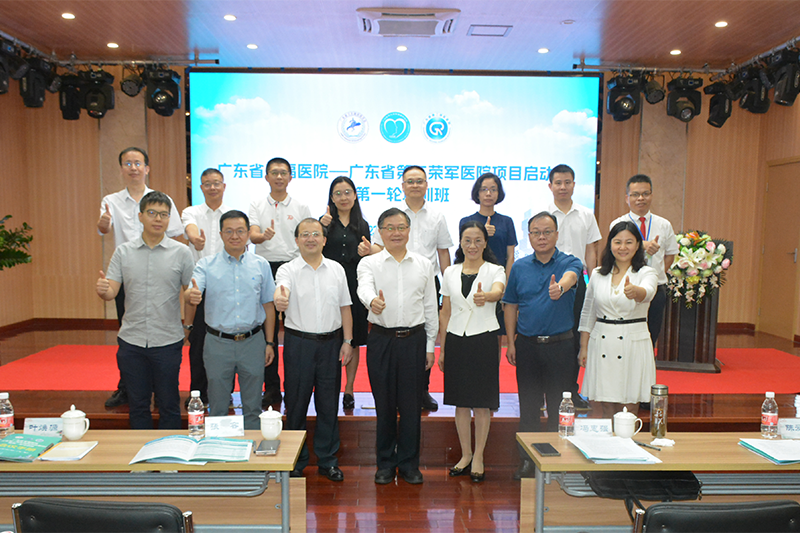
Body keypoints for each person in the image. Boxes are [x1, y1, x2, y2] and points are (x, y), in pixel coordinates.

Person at [95, 191, 194, 429]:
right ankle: (141, 452)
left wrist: (188, 326)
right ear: (140, 216)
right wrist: (103, 290)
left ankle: (169, 451)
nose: (158, 219)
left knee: (168, 403)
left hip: (167, 339)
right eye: (152, 213)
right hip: (132, 340)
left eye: (164, 214)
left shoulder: (182, 253)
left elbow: (190, 293)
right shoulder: (123, 252)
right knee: (138, 405)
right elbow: (112, 291)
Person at [357, 208, 439, 485]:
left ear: (409, 230)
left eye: (401, 227)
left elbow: (430, 307)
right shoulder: (369, 263)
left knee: (412, 405)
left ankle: (409, 464)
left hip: (414, 341)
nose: (396, 233)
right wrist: (372, 301)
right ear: (380, 232)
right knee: (384, 404)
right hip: (381, 339)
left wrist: (430, 346)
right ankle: (385, 463)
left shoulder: (423, 264)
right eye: (389, 228)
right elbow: (363, 287)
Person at [97, 147, 183, 409]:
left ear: (147, 168)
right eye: (128, 163)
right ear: (121, 168)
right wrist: (103, 223)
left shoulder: (160, 200)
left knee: (161, 335)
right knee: (129, 335)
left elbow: (175, 232)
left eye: (138, 163)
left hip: (159, 271)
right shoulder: (111, 200)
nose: (133, 168)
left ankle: (159, 388)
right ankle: (128, 387)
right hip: (127, 275)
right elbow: (103, 228)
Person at [273, 218, 354, 482]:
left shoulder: (336, 269)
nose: (311, 239)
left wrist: (348, 341)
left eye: (315, 234)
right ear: (297, 240)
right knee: (296, 404)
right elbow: (280, 292)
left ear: (324, 239)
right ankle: (295, 461)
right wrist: (280, 299)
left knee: (328, 404)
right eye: (305, 234)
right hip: (299, 344)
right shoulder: (287, 269)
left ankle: (328, 460)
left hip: (332, 344)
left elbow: (345, 307)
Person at [503, 212, 582, 479]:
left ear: (557, 235)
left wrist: (560, 287)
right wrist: (510, 342)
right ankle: (528, 461)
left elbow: (572, 276)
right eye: (536, 232)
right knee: (529, 407)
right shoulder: (520, 267)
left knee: (560, 407)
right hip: (527, 346)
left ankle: (557, 460)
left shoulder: (569, 261)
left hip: (561, 347)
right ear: (529, 237)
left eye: (547, 232)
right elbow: (511, 306)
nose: (542, 237)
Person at [184, 210, 276, 430]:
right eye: (229, 231)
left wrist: (270, 343)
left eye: (240, 231)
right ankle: (219, 452)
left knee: (253, 408)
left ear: (248, 234)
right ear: (221, 234)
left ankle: (252, 452)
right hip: (218, 344)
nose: (235, 236)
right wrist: (191, 295)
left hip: (253, 342)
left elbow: (268, 305)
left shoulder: (261, 264)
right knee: (218, 407)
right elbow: (191, 291)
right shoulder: (206, 265)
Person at [372, 166, 453, 411]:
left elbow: (443, 252)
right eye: (410, 181)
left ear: (427, 184)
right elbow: (378, 247)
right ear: (402, 186)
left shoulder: (437, 215)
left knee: (424, 331)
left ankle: (422, 390)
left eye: (419, 181)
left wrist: (448, 285)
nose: (415, 185)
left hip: (426, 280)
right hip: (394, 277)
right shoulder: (393, 216)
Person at [438, 221, 505, 483]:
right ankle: (465, 454)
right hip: (456, 340)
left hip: (483, 340)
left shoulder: (495, 269)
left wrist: (487, 296)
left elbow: (498, 291)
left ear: (485, 243)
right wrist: (443, 349)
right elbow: (445, 312)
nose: (472, 245)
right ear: (460, 242)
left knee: (482, 402)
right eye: (467, 240)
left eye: (478, 240)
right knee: (461, 402)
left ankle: (479, 456)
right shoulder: (450, 272)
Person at [249, 157, 311, 408]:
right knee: (269, 330)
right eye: (274, 172)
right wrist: (262, 236)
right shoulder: (256, 204)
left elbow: (308, 237)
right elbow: (252, 235)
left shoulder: (301, 206)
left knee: (297, 327)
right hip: (265, 268)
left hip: (294, 268)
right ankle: (272, 387)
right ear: (266, 177)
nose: (279, 177)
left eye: (283, 172)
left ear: (290, 177)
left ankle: (296, 385)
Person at [579, 221, 658, 417]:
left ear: (638, 245)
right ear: (610, 244)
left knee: (629, 405)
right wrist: (583, 346)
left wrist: (635, 292)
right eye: (618, 242)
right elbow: (588, 312)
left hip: (633, 342)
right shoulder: (598, 274)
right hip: (602, 341)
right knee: (605, 403)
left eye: (629, 242)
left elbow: (648, 292)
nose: (623, 247)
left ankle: (627, 436)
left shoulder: (646, 272)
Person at [547, 164, 602, 411]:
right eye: (558, 183)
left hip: (578, 284)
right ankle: (546, 393)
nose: (563, 187)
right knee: (549, 337)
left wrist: (592, 281)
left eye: (567, 182)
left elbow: (591, 250)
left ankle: (571, 390)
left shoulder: (586, 214)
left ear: (574, 185)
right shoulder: (542, 214)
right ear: (550, 186)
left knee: (574, 338)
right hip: (549, 283)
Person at [319, 176, 374, 410]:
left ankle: (349, 388)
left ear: (355, 196)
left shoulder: (363, 225)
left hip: (354, 286)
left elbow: (368, 256)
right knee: (332, 338)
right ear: (331, 198)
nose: (343, 197)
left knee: (354, 340)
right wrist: (321, 227)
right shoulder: (324, 223)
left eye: (347, 192)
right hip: (328, 286)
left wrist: (367, 250)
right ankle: (330, 387)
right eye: (338, 193)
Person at [180, 168, 232, 406]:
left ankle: (224, 392)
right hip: (199, 287)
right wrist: (195, 239)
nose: (212, 187)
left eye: (216, 183)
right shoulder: (191, 211)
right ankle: (198, 393)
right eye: (207, 184)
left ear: (224, 186)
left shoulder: (231, 215)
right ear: (201, 188)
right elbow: (190, 227)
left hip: (226, 288)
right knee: (199, 343)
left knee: (226, 344)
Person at [610, 174, 678, 345]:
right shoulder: (617, 224)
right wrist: (641, 245)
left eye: (645, 194)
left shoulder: (664, 224)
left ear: (651, 196)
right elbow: (614, 254)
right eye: (635, 194)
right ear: (627, 198)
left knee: (651, 335)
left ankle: (647, 361)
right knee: (625, 334)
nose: (640, 198)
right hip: (626, 287)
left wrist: (654, 276)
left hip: (656, 289)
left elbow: (670, 255)